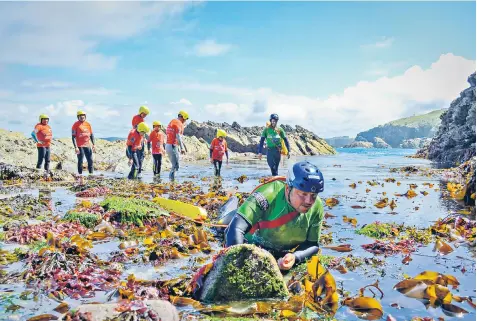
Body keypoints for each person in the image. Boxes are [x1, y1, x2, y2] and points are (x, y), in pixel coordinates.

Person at [225, 161, 324, 270]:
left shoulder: (317, 206)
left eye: (313, 195)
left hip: (277, 252)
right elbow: (235, 229)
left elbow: (313, 244)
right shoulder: (268, 193)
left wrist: (295, 257)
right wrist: (238, 267)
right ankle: (231, 202)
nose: (309, 201)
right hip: (248, 240)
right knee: (222, 223)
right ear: (287, 189)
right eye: (303, 194)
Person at [72, 110, 96, 184]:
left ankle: (91, 175)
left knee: (90, 160)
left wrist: (94, 144)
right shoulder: (75, 125)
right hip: (79, 146)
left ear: (85, 116)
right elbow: (73, 137)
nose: (82, 117)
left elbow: (91, 135)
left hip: (87, 145)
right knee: (80, 160)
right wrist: (75, 147)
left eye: (83, 116)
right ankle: (80, 175)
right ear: (78, 117)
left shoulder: (88, 124)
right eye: (80, 116)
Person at [165, 111, 189, 182]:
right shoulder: (179, 123)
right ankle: (172, 182)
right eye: (185, 119)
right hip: (172, 146)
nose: (185, 121)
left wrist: (183, 146)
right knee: (175, 166)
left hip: (168, 145)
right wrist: (182, 148)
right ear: (182, 118)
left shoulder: (172, 121)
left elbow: (175, 136)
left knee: (175, 165)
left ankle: (172, 180)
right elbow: (178, 136)